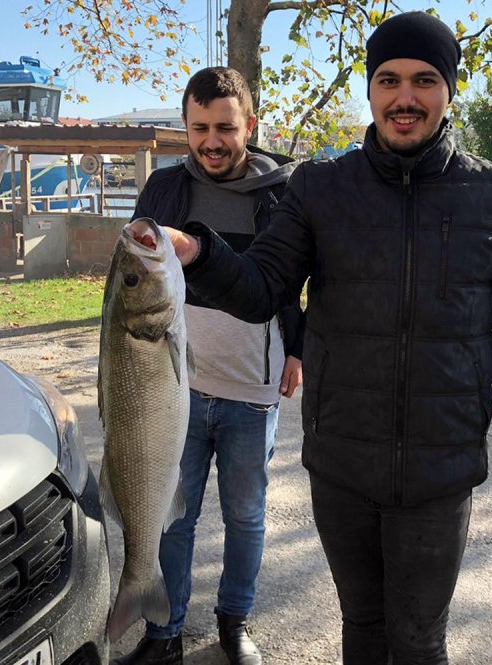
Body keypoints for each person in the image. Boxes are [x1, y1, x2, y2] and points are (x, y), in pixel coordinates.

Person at [149, 12, 492, 665]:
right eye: (388, 80)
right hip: (343, 463)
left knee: (416, 640)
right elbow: (261, 287)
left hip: (440, 467)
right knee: (364, 626)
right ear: (371, 88)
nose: (404, 97)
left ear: (447, 90)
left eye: (423, 80)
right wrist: (197, 250)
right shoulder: (319, 188)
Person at [113, 67, 304, 665]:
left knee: (247, 517)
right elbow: (130, 278)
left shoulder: (284, 193)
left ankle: (234, 623)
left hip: (252, 387)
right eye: (199, 128)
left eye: (225, 126)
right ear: (186, 127)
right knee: (172, 518)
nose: (212, 140)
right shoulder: (164, 190)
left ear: (250, 124)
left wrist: (298, 347)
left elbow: (297, 281)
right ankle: (162, 630)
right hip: (176, 392)